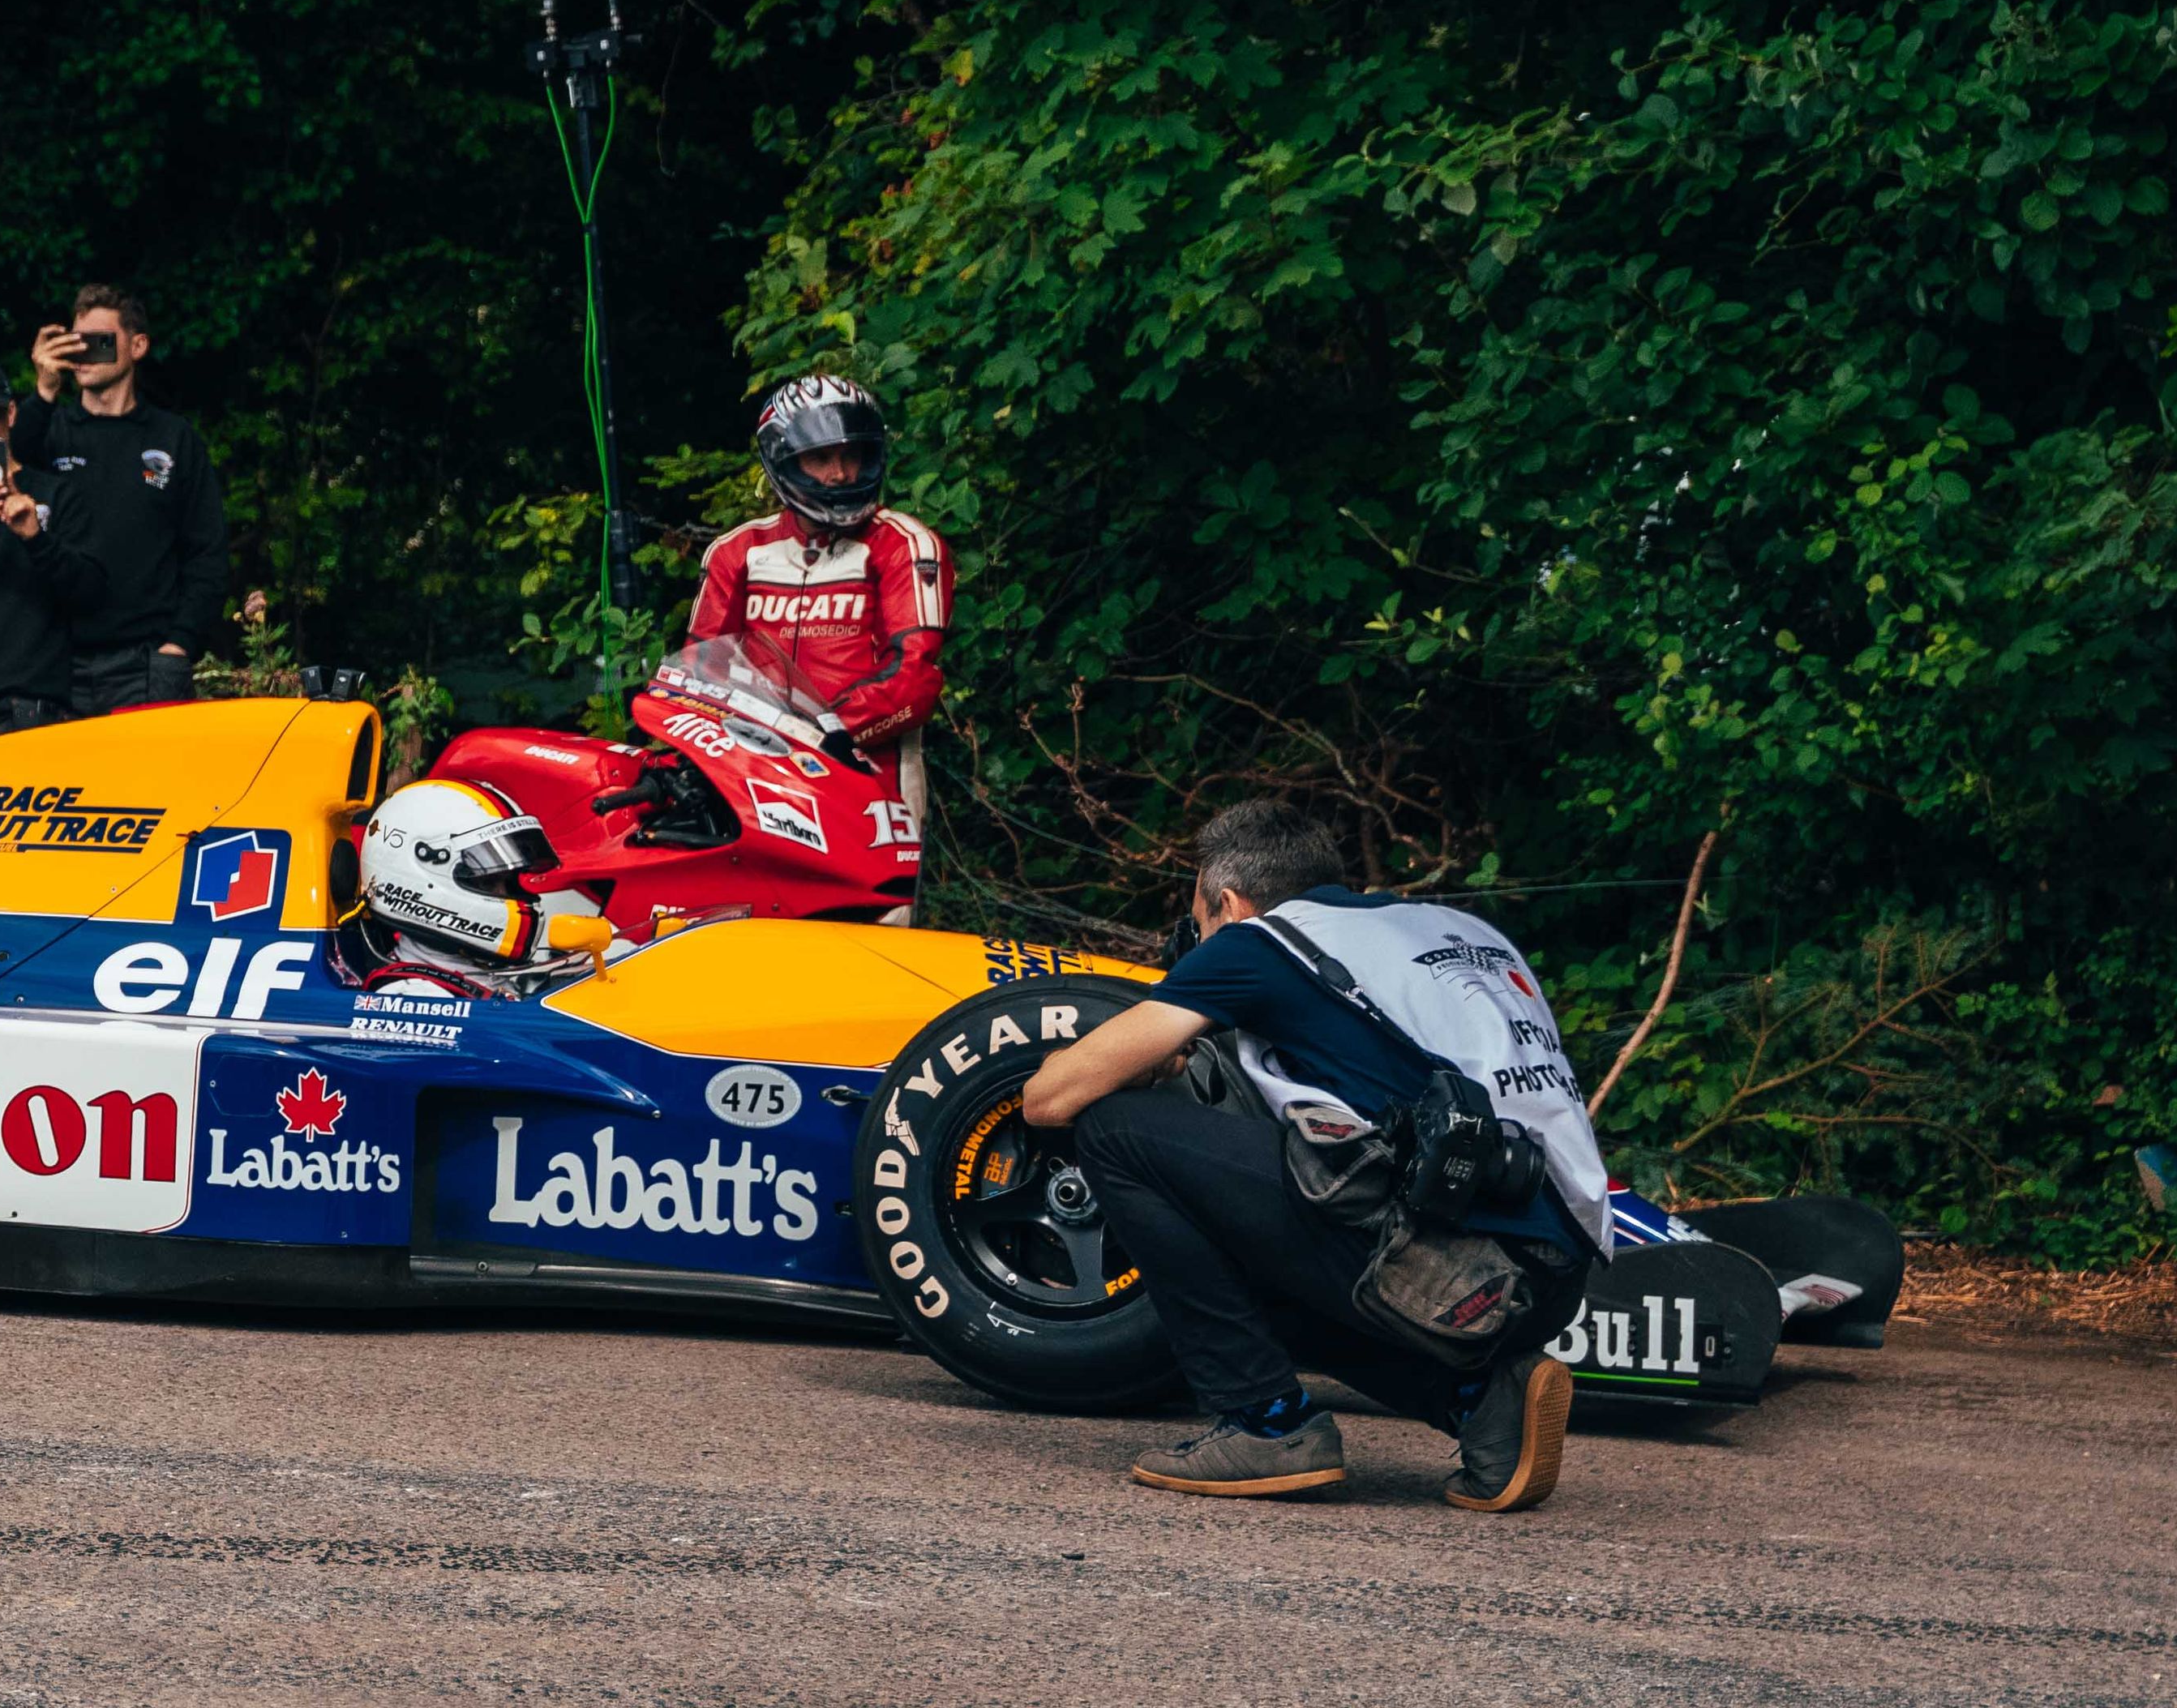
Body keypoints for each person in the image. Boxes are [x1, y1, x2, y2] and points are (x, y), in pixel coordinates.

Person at [1001, 800, 1609, 1514]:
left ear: (1228, 903)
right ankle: (1481, 1402)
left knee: (1115, 1131)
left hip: (1457, 1271)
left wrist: (1146, 1065)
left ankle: (1267, 1423)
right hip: (1552, 1275)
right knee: (1248, 1239)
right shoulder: (1458, 931)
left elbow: (1051, 1096)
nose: (1198, 941)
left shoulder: (1259, 942)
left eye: (1197, 925)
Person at [0, 285, 222, 749]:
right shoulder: (48, 429)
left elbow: (206, 553)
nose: (83, 353)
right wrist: (45, 388)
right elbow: (4, 461)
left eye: (98, 341)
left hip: (143, 656)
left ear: (138, 345)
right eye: (74, 341)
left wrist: (180, 644)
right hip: (57, 665)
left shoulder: (173, 438)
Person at [689, 375, 949, 783]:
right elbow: (702, 672)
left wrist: (829, 732)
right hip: (753, 769)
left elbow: (913, 675)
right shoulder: (736, 551)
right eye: (821, 458)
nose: (841, 474)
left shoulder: (904, 545)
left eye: (852, 456)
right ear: (784, 460)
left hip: (868, 775)